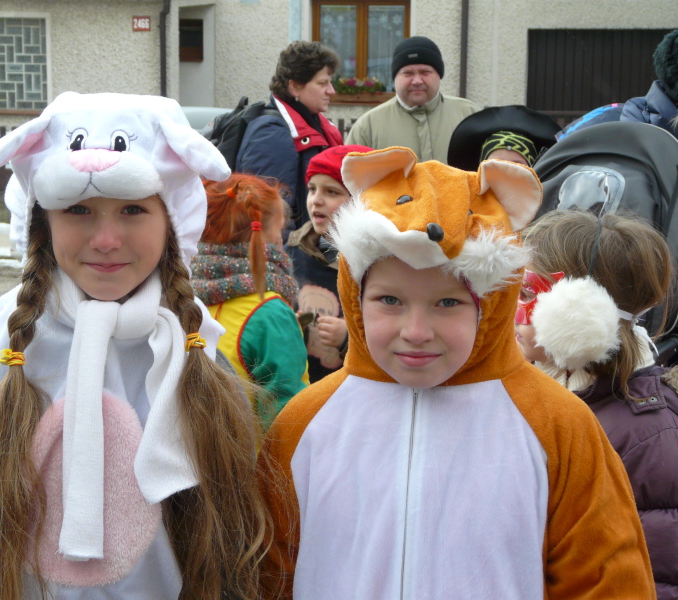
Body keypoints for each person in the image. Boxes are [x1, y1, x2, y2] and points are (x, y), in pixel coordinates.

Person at [0, 92, 268, 600]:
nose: (105, 239)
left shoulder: (199, 366)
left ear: (172, 222)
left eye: (133, 209)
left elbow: (235, 549)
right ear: (42, 222)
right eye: (78, 209)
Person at [259, 146, 656, 599]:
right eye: (389, 300)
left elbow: (606, 578)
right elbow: (269, 572)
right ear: (355, 295)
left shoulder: (557, 425)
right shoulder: (304, 423)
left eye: (448, 302)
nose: (416, 331)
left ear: (490, 306)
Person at [516, 209, 678, 599]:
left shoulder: (648, 436)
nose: (509, 309)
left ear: (579, 311)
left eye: (526, 293)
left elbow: (655, 579)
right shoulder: (535, 392)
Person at [191, 173, 308, 428]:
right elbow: (287, 412)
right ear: (271, 240)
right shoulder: (271, 313)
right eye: (279, 231)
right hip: (253, 451)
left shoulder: (183, 296)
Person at [286, 144, 372, 382]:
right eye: (312, 189)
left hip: (352, 386)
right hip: (305, 384)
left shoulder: (377, 264)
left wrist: (347, 337)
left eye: (332, 192)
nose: (316, 200)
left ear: (362, 200)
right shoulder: (294, 249)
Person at [237, 41, 343, 233]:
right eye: (322, 83)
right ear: (294, 86)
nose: (331, 90)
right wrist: (296, 251)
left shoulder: (313, 124)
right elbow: (268, 218)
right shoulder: (271, 135)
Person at [345, 36, 478, 161]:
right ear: (395, 78)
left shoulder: (469, 115)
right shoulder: (368, 127)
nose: (417, 81)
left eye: (425, 72)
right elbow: (347, 174)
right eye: (408, 73)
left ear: (439, 75)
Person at [447, 105, 560, 171]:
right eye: (495, 165)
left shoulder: (549, 204)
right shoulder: (465, 204)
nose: (506, 171)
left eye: (517, 165)